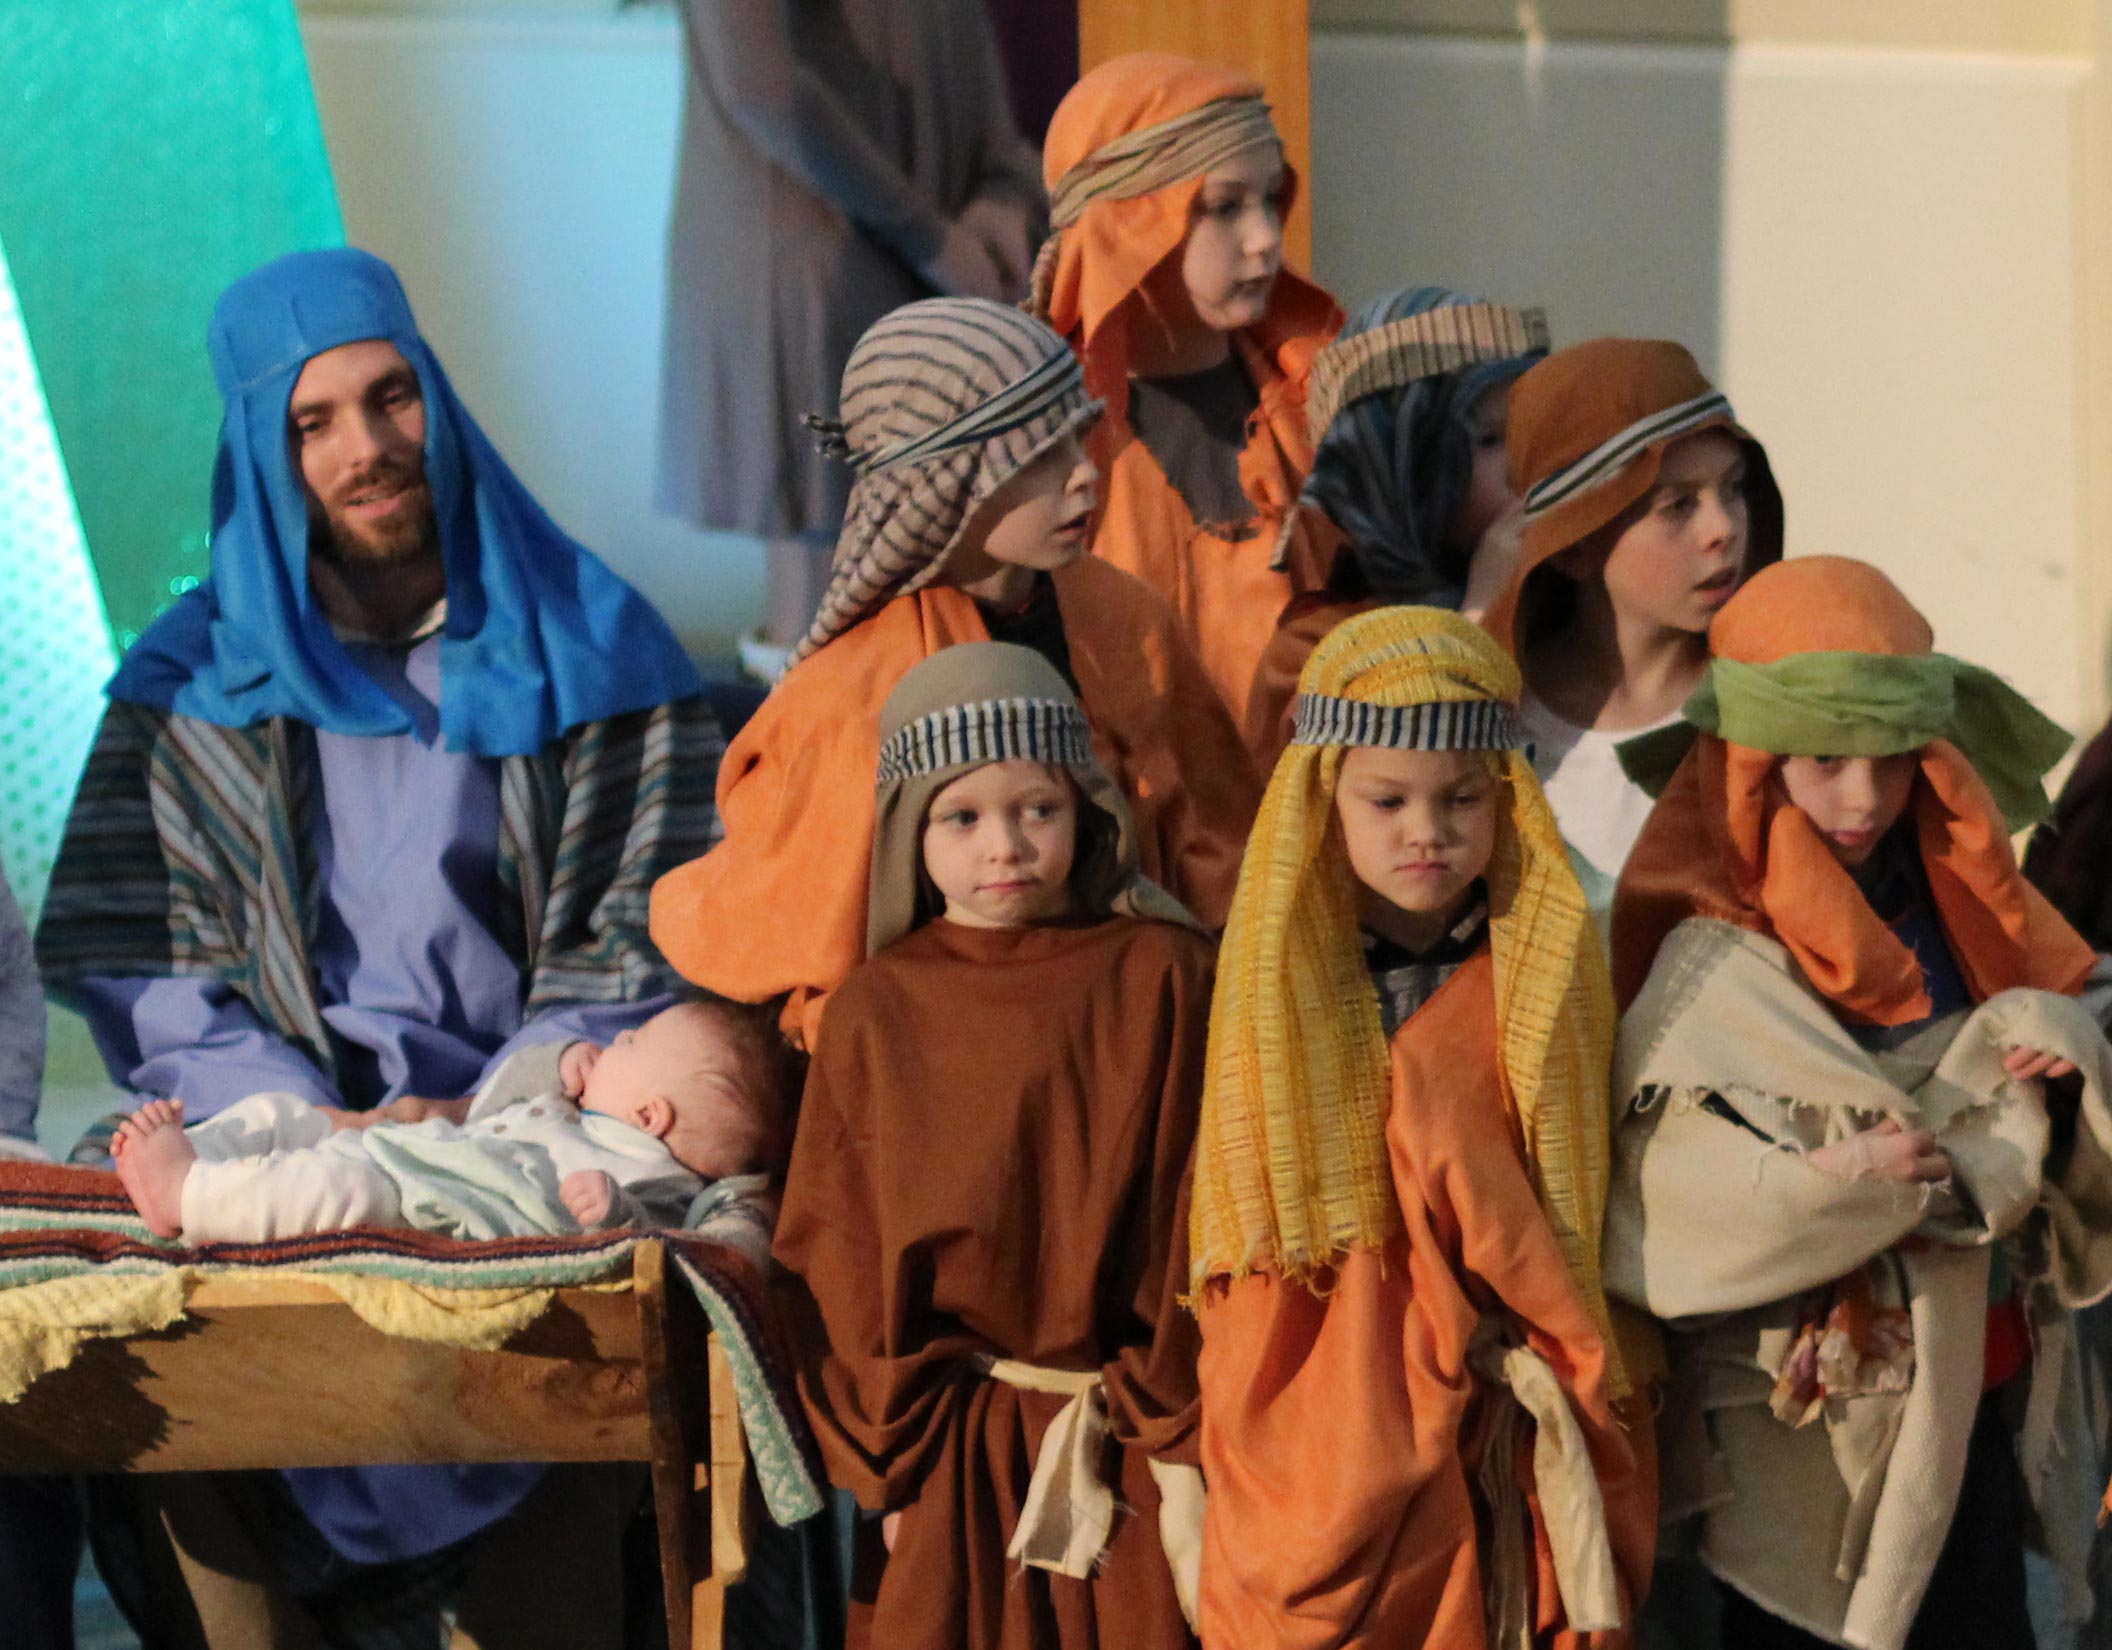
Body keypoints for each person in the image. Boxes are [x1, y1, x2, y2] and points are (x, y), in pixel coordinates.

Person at [35, 246, 722, 1649]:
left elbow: (644, 937)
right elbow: (149, 971)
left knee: (603, 1284)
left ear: (435, 398)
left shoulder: (591, 644)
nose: (367, 447)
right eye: (315, 420)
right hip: (266, 1130)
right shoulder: (185, 691)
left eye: (390, 396)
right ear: (263, 449)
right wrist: (314, 1126)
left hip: (523, 1130)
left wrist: (479, 1113)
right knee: (127, 1297)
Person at [1605, 557, 2112, 1650]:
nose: (1863, 800)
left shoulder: (1958, 888)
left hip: (1978, 1382)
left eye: (1892, 762)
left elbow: (2054, 1036)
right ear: (1754, 763)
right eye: (1824, 760)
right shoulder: (1702, 936)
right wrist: (1821, 1185)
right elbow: (1660, 1182)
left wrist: (2060, 1070)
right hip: (1796, 1424)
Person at [1191, 606, 1654, 1647]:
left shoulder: (1552, 967)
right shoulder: (1265, 984)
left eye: (1461, 798)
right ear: (1324, 796)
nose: (1426, 831)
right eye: (1387, 799)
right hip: (1335, 1411)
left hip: (1516, 1391)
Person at [650, 297, 1259, 1050]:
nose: (1083, 476)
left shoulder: (1127, 615)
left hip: (1144, 1009)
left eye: (1079, 440)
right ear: (946, 481)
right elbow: (819, 958)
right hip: (943, 1040)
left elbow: (1225, 838)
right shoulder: (854, 694)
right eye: (1039, 457)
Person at [773, 641, 1211, 1650]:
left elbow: (1204, 1213)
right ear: (907, 832)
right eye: (961, 817)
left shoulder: (1168, 975)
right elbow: (839, 1250)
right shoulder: (877, 1011)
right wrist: (885, 1463)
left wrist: (1180, 1420)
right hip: (950, 1457)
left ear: (1085, 807)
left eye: (1037, 809)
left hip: (1138, 1445)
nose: (1005, 845)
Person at [656, 0, 1045, 647]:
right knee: (834, 598)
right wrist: (930, 236)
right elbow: (760, 87)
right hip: (815, 270)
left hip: (928, 266)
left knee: (915, 597)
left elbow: (975, 73)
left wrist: (1002, 199)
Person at [1029, 52, 1344, 729]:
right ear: (1123, 228)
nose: (1264, 239)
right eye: (1223, 208)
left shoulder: (1327, 403)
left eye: (1271, 199)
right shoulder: (1038, 444)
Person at [1483, 337, 1784, 924]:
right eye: (1678, 506)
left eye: (1733, 487)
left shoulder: (1776, 711)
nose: (1722, 528)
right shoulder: (1491, 733)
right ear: (1574, 547)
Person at [111, 1000, 782, 1244]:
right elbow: (491, 1106)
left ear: (650, 1115)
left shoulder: (653, 1177)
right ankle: (199, 1150)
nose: (614, 1040)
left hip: (430, 1202)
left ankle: (187, 1195)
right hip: (419, 1149)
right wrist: (551, 1064)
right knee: (288, 1117)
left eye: (631, 1043)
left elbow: (662, 1244)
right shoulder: (569, 1115)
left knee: (337, 1186)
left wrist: (615, 1214)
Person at [1244, 286, 1550, 758]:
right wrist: (1479, 617)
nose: (1523, 461)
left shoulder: (1562, 601)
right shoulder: (1316, 655)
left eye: (1531, 428)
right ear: (1397, 469)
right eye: (1489, 439)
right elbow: (1418, 784)